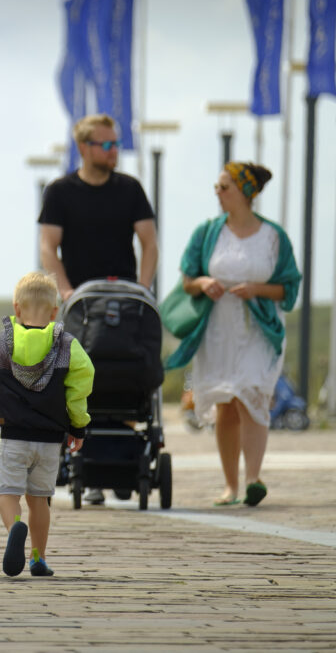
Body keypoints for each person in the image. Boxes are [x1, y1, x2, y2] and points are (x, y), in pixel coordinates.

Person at [37, 113, 158, 505]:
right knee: (80, 378)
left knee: (124, 369)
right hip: (81, 304)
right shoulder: (60, 191)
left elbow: (148, 242)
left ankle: (124, 460)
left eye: (115, 144)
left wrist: (143, 286)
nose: (113, 151)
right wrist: (65, 288)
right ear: (84, 148)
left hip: (124, 299)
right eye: (106, 145)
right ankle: (86, 463)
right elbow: (47, 247)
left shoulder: (130, 189)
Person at [164, 162, 300, 507]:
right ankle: (230, 485)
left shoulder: (273, 237)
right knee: (226, 404)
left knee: (250, 395)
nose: (218, 192)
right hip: (217, 331)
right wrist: (203, 283)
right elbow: (187, 280)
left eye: (225, 186)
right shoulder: (207, 232)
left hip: (258, 329)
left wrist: (257, 288)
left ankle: (253, 478)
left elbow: (289, 286)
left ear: (245, 192)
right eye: (217, 186)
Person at [0, 272, 93, 577]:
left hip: (14, 436)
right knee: (40, 500)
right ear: (55, 312)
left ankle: (16, 528)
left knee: (8, 493)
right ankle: (38, 558)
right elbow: (82, 382)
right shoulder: (67, 345)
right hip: (50, 440)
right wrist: (78, 426)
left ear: (17, 309)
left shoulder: (5, 340)